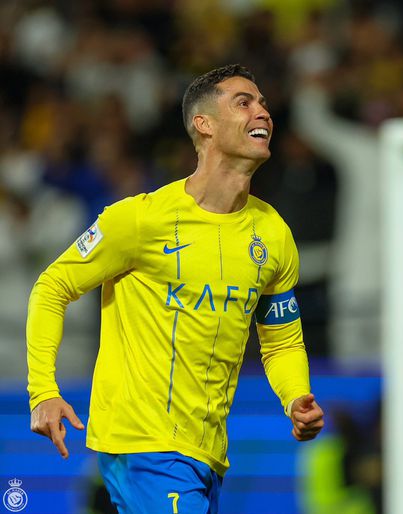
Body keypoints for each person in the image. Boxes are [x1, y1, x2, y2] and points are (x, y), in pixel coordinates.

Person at [26, 64, 324, 513]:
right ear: (203, 125)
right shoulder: (139, 219)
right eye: (243, 102)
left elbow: (281, 339)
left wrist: (296, 397)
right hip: (144, 444)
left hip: (207, 454)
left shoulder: (274, 234)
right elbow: (52, 286)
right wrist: (43, 391)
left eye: (263, 102)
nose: (262, 111)